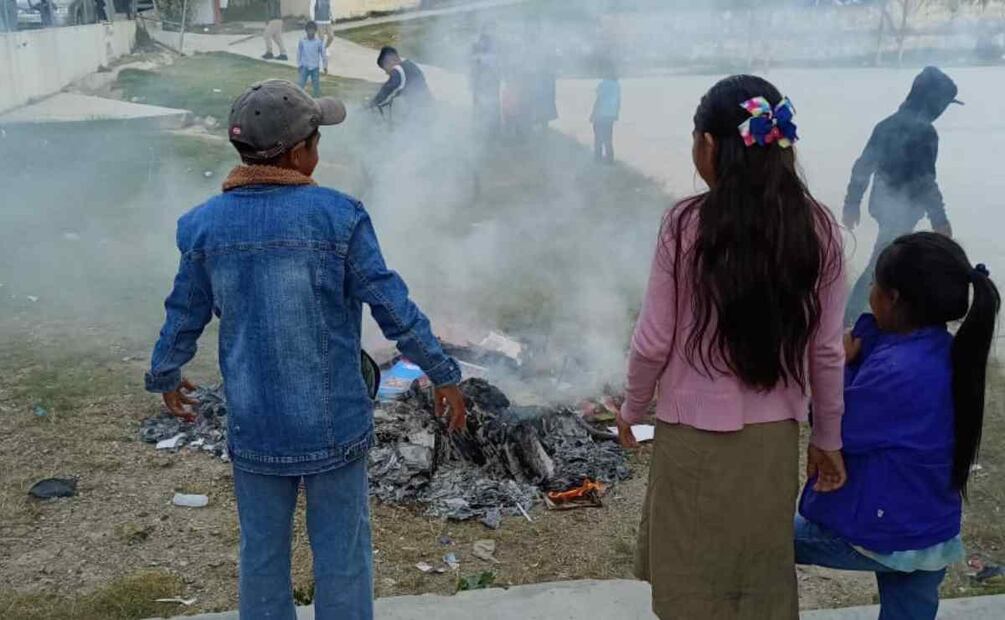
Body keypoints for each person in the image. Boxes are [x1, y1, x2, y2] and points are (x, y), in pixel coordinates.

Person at [144, 80, 468, 620]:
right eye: (317, 139)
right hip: (333, 424)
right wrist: (443, 372)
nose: (319, 149)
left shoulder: (203, 226)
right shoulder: (338, 216)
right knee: (342, 555)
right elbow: (392, 305)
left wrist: (166, 372)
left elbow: (185, 311)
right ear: (299, 153)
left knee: (262, 554)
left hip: (255, 424)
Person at [617, 75, 848, 620]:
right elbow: (826, 352)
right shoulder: (818, 229)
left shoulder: (685, 225)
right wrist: (828, 437)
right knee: (757, 575)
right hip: (773, 442)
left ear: (707, 144)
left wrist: (632, 407)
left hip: (693, 439)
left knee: (692, 578)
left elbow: (653, 340)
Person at [797, 232, 1000, 620]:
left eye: (874, 283)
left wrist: (839, 366)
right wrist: (863, 337)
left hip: (889, 531)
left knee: (768, 538)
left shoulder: (898, 371)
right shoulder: (943, 350)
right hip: (932, 529)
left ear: (893, 298)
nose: (869, 291)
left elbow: (835, 424)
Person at [843, 66, 961, 324]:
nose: (942, 111)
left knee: (895, 261)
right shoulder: (926, 132)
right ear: (933, 102)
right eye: (943, 104)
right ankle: (851, 318)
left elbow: (863, 166)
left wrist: (852, 203)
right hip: (900, 209)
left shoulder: (885, 125)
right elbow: (925, 180)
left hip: (883, 204)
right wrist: (939, 219)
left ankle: (885, 314)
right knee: (882, 262)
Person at [371, 46, 432, 118]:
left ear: (390, 61)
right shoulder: (410, 65)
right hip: (427, 108)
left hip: (420, 112)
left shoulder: (399, 69)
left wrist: (372, 104)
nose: (386, 73)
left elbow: (389, 89)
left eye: (385, 69)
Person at [470, 28, 501, 135]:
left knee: (492, 107)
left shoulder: (494, 52)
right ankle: (480, 130)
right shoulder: (476, 52)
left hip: (490, 84)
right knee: (481, 108)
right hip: (481, 85)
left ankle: (492, 130)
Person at [590, 71, 620, 163]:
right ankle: (610, 158)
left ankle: (598, 157)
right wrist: (616, 114)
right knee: (608, 138)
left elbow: (599, 99)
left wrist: (593, 114)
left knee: (598, 137)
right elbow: (618, 101)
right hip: (611, 114)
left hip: (601, 114)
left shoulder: (602, 84)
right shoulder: (617, 85)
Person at [297, 21, 326, 97]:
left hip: (315, 67)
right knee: (300, 84)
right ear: (306, 31)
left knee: (316, 85)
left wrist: (325, 66)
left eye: (312, 30)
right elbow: (299, 53)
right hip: (304, 66)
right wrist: (299, 65)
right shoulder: (302, 41)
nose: (310, 32)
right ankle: (299, 98)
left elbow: (323, 54)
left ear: (315, 31)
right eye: (309, 30)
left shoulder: (318, 42)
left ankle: (316, 98)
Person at [313, 0, 335, 72]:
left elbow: (330, 8)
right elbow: (312, 8)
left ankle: (325, 48)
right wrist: (313, 19)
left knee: (331, 36)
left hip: (328, 21)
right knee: (321, 38)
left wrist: (332, 17)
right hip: (319, 21)